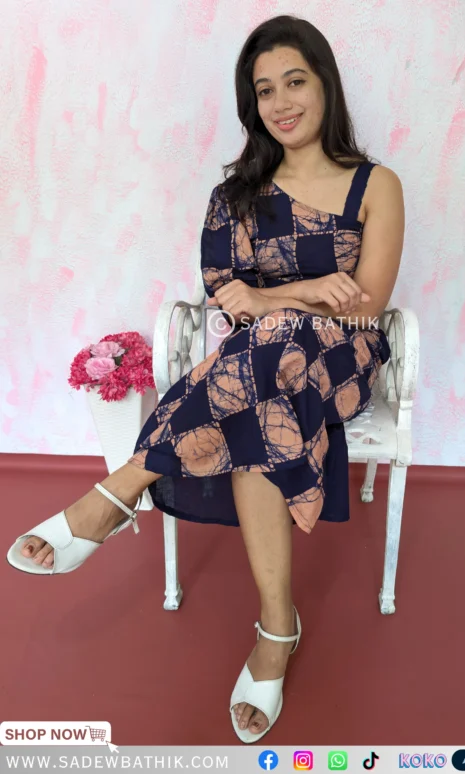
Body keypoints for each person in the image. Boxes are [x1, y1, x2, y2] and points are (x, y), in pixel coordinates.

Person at [6, 14, 405, 743]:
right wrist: (304, 291)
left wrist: (279, 300)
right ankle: (277, 629)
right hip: (263, 371)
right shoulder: (236, 195)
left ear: (325, 85)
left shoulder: (375, 184)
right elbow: (226, 293)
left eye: (295, 82)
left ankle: (119, 492)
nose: (280, 102)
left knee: (274, 340)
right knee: (262, 394)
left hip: (343, 358)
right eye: (264, 91)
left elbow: (367, 302)